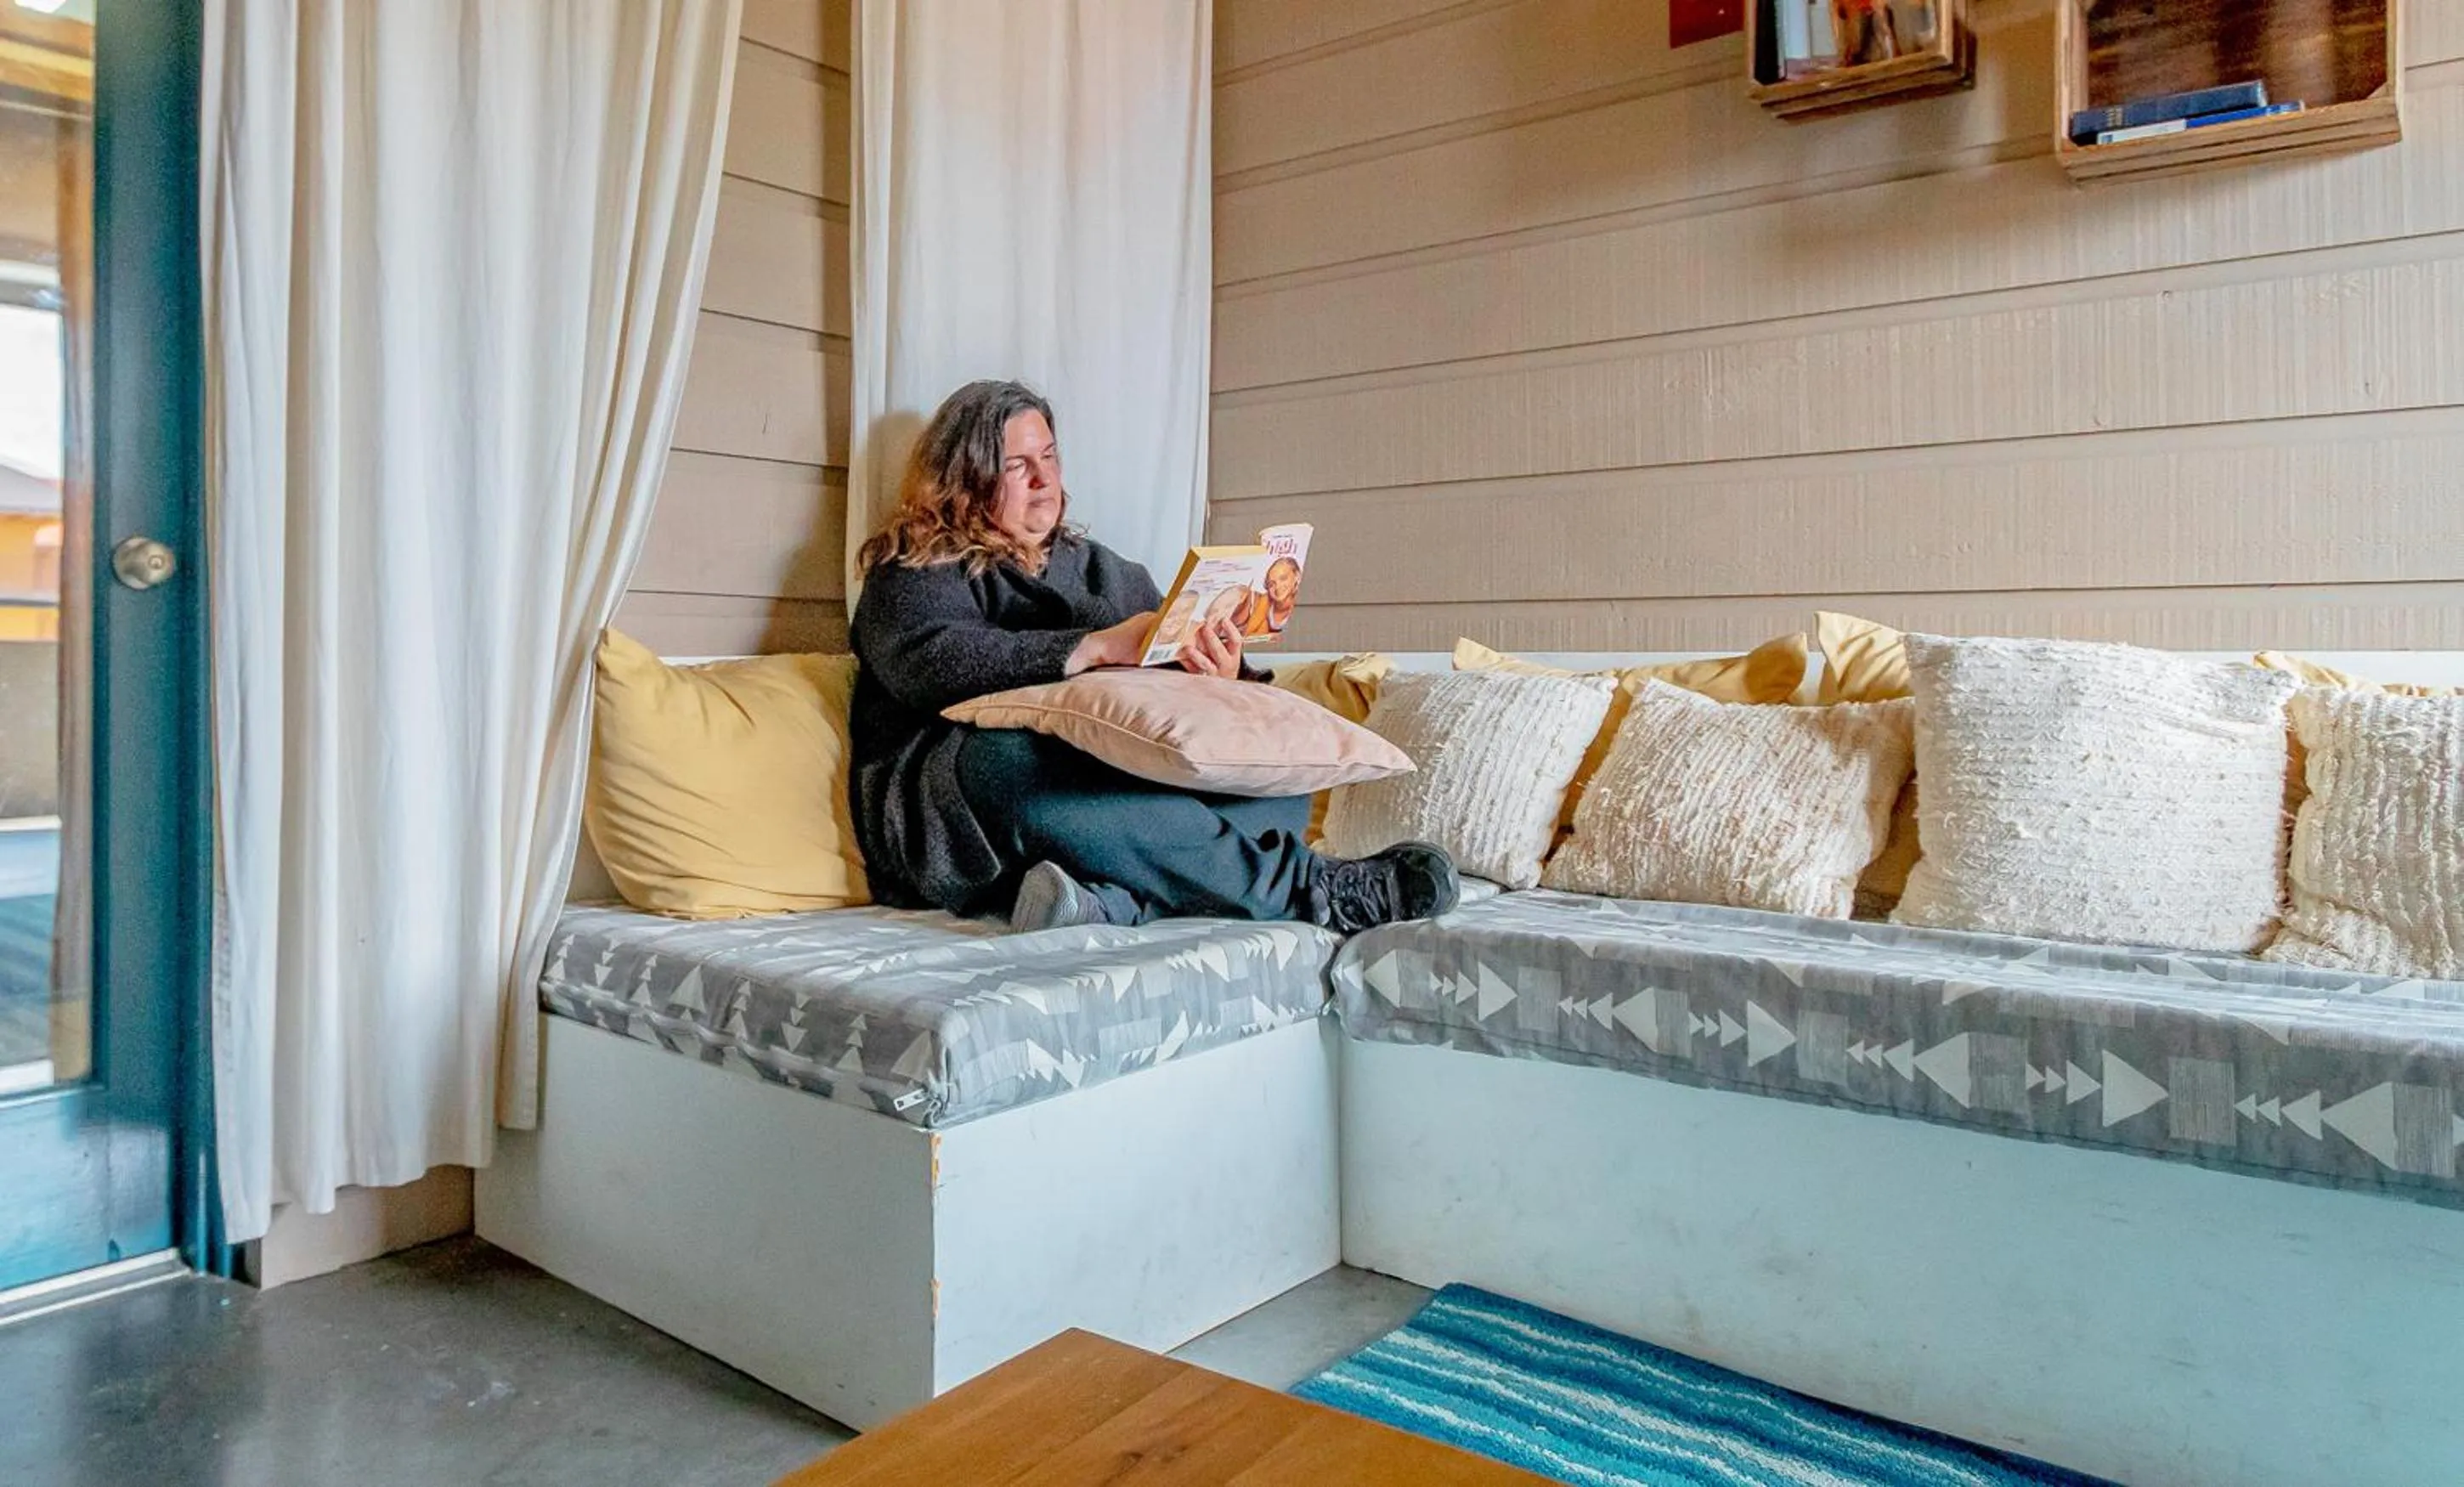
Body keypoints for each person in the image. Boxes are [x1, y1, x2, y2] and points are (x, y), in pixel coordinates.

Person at [847, 378, 1458, 933]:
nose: (1044, 479)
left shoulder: (1109, 574)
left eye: (1050, 457)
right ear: (967, 477)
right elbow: (930, 664)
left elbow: (1180, 698)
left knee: (1271, 773)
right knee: (1015, 755)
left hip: (1115, 813)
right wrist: (1097, 645)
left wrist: (1224, 677)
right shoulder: (914, 565)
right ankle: (1312, 890)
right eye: (1017, 466)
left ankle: (1107, 903)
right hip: (968, 813)